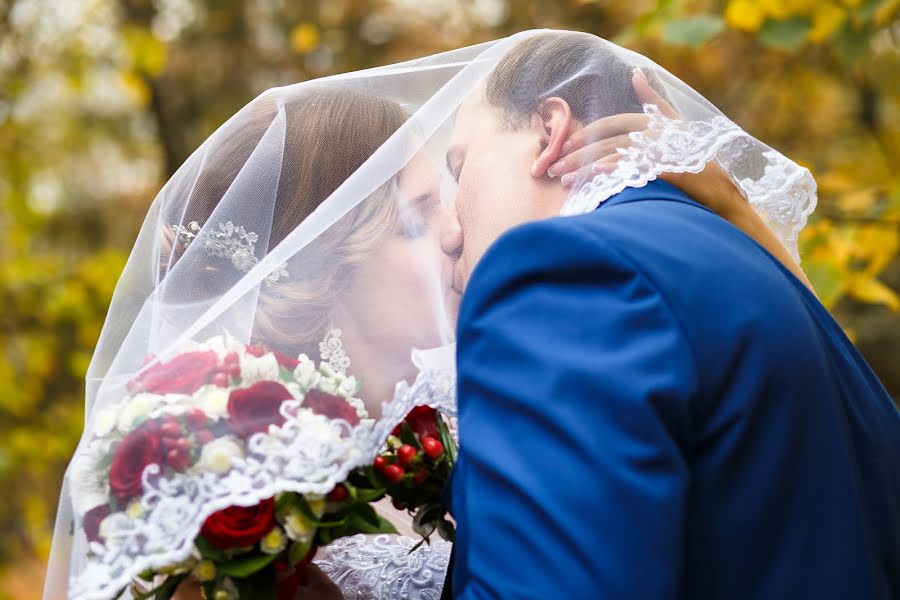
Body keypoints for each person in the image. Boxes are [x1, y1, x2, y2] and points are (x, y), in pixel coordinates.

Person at [444, 31, 900, 599]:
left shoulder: (561, 272)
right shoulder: (765, 275)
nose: (449, 228)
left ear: (548, 128)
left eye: (459, 167)